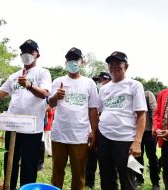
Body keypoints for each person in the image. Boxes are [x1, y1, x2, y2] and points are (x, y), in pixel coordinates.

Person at [0, 39, 51, 190]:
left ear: (37, 54)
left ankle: (27, 188)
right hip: (12, 126)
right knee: (9, 161)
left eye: (31, 51)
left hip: (32, 128)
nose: (27, 54)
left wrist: (29, 85)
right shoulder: (14, 76)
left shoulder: (43, 73)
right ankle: (8, 187)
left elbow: (44, 94)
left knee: (29, 165)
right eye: (24, 51)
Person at [49, 47, 99, 190]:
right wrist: (55, 96)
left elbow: (93, 110)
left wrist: (94, 132)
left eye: (75, 59)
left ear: (81, 62)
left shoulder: (89, 83)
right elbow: (51, 104)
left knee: (79, 175)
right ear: (66, 62)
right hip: (59, 134)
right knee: (57, 173)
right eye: (69, 59)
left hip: (80, 135)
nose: (72, 62)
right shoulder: (58, 81)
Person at [97, 51, 147, 190]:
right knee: (106, 177)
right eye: (111, 64)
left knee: (128, 179)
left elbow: (141, 115)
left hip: (126, 140)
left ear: (127, 66)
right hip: (104, 137)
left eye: (118, 63)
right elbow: (100, 112)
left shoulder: (135, 85)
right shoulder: (103, 89)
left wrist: (137, 141)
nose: (114, 66)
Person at [85, 71, 111, 189]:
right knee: (91, 156)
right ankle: (89, 182)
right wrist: (92, 129)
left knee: (107, 161)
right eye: (97, 81)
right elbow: (93, 113)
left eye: (101, 81)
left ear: (108, 80)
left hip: (108, 132)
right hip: (95, 129)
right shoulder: (96, 94)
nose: (98, 83)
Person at [135, 90, 160, 189]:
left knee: (152, 157)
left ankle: (155, 182)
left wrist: (155, 127)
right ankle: (139, 179)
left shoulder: (147, 94)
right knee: (136, 157)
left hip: (149, 131)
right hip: (135, 133)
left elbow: (154, 110)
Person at [153, 88, 168, 189]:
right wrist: (157, 128)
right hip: (165, 140)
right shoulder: (163, 93)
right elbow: (157, 113)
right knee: (166, 169)